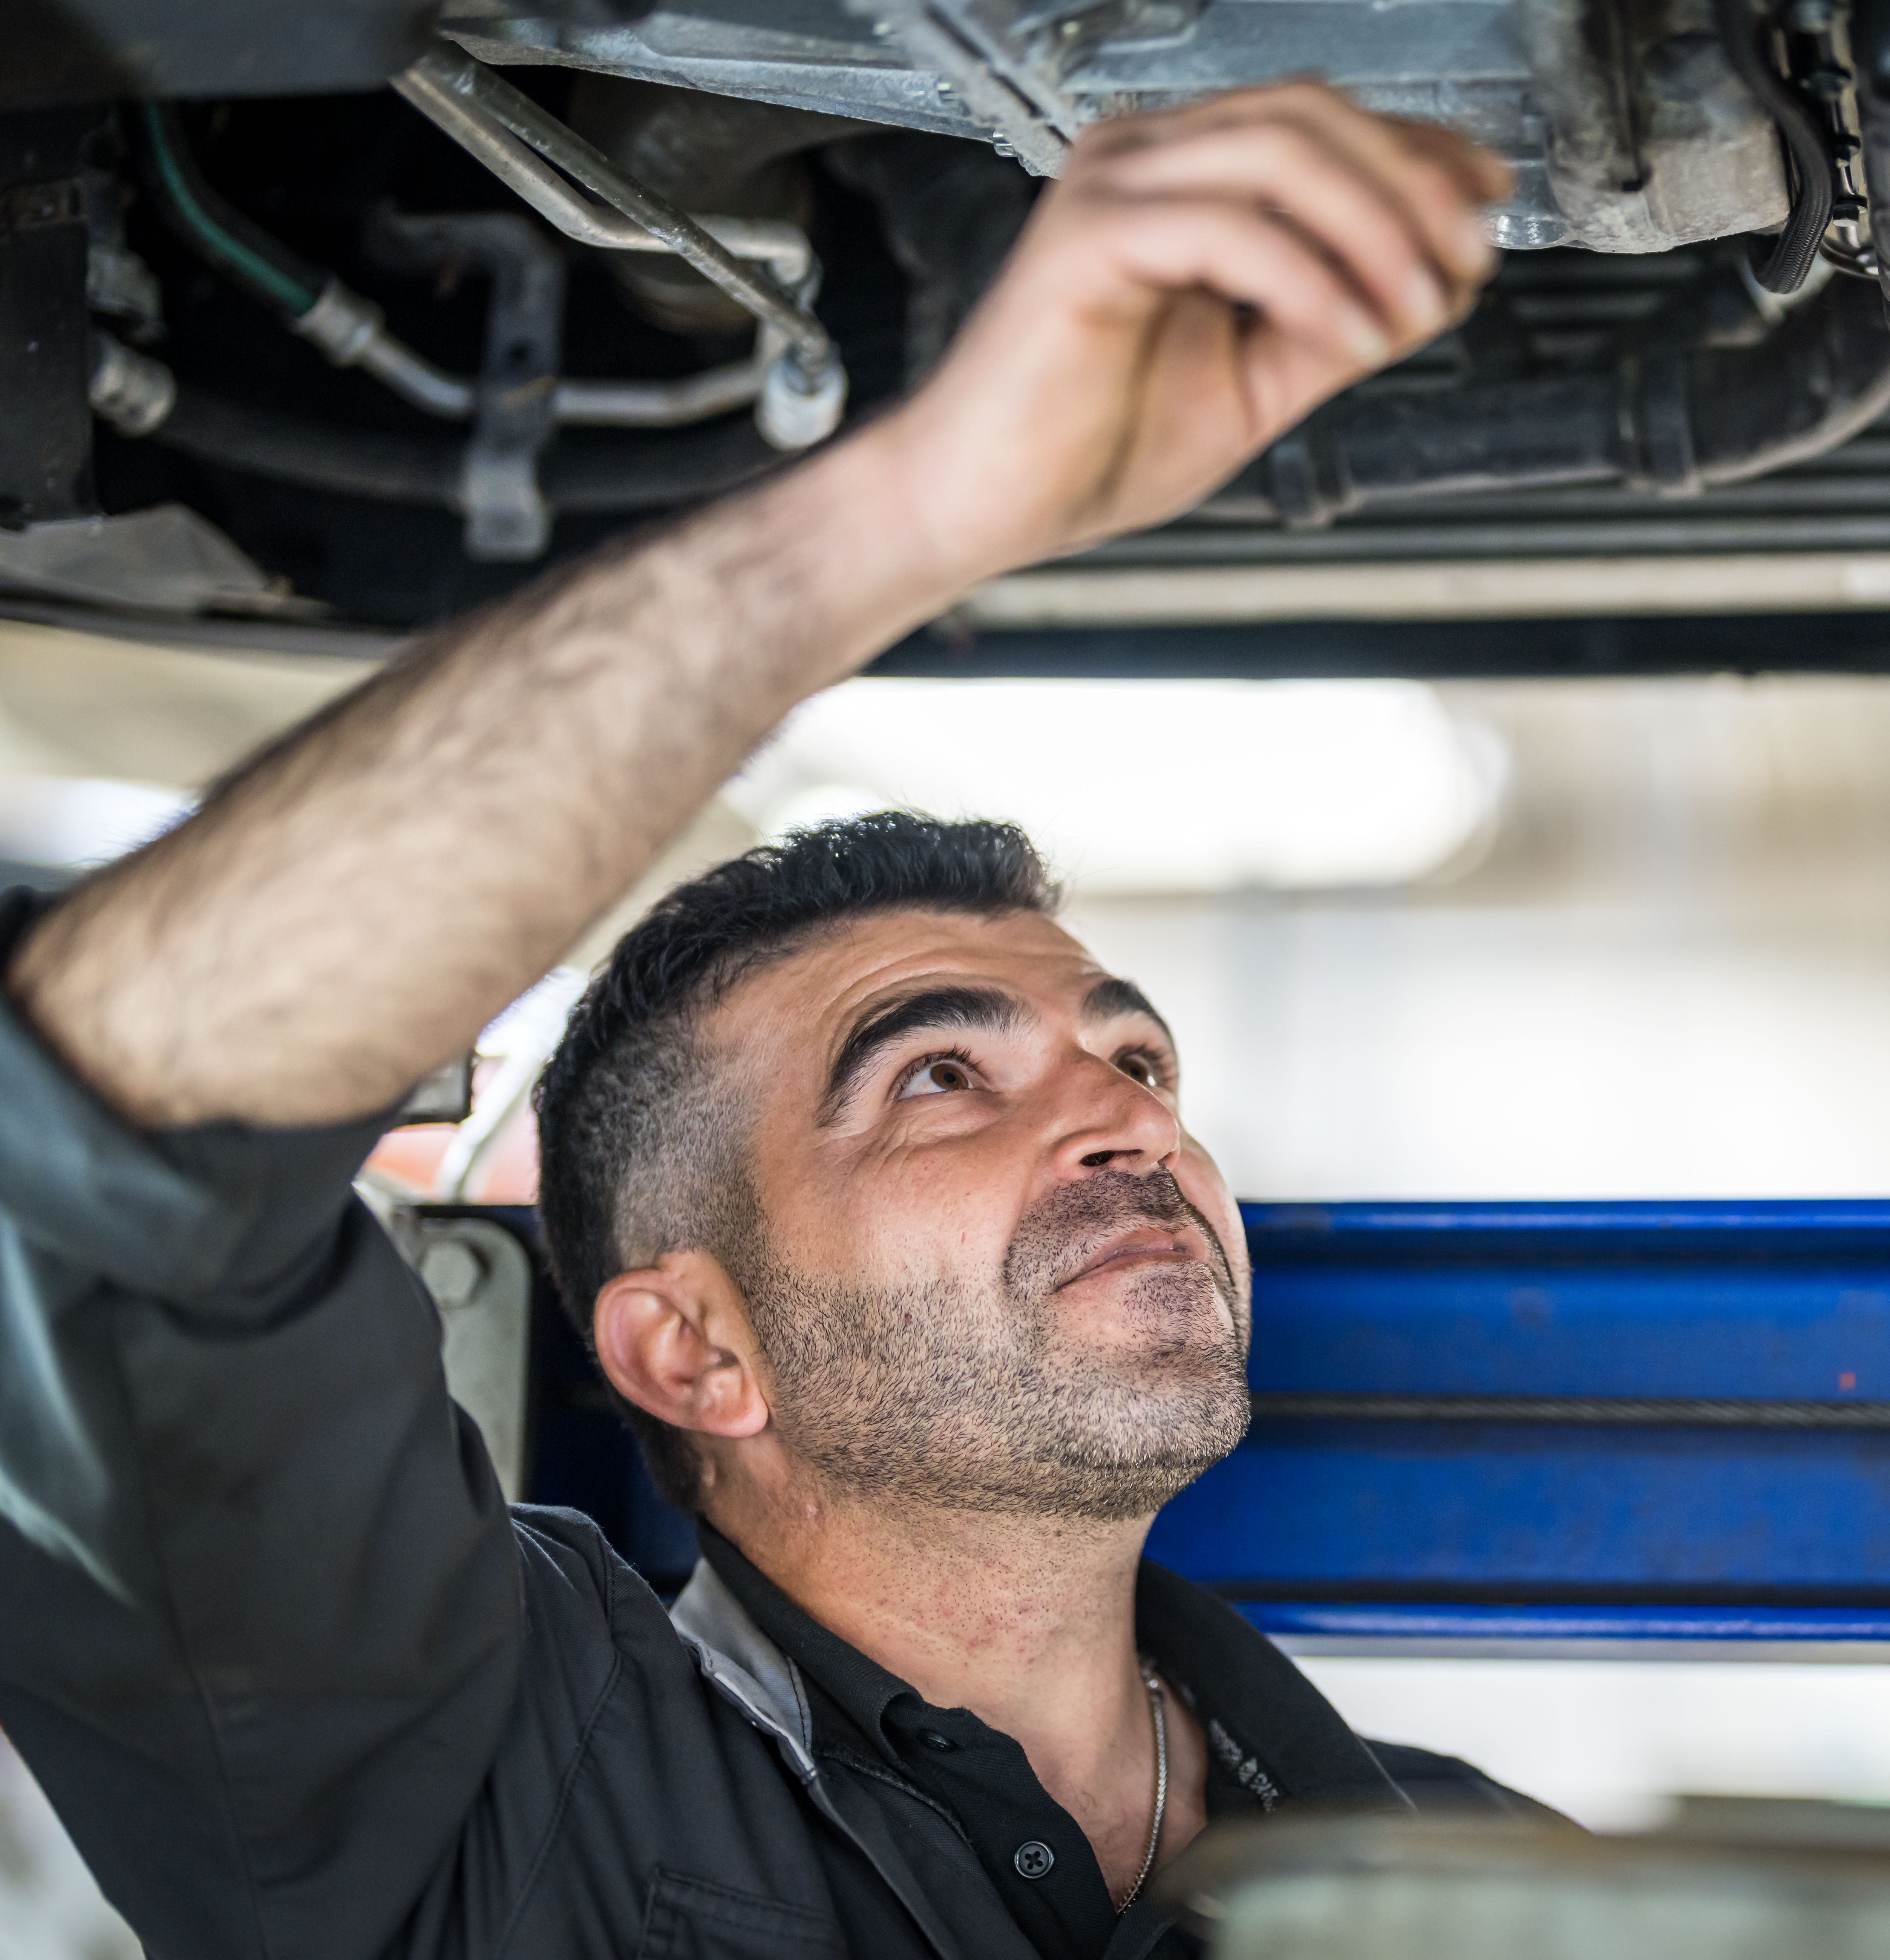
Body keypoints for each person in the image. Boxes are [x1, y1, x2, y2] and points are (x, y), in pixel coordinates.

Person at [0, 83, 1546, 1960]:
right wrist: (920, 499)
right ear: (695, 1348)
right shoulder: (478, 1785)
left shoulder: (1491, 1887)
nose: (1132, 1123)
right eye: (940, 1074)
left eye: (1136, 1059)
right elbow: (110, 1119)